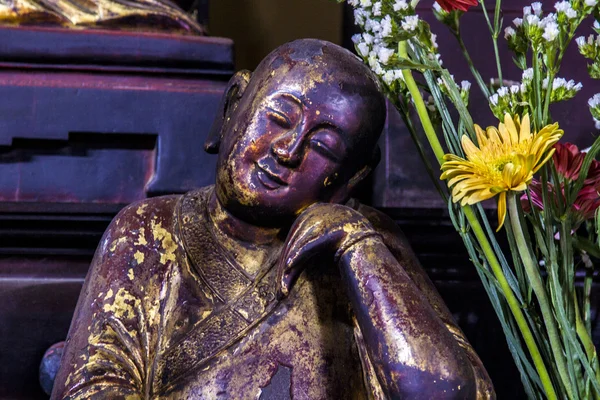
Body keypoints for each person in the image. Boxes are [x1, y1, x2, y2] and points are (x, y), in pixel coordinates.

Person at [52, 38, 494, 399]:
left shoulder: (369, 245)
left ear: (352, 176)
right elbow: (92, 386)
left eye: (323, 148)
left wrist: (359, 248)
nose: (288, 150)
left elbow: (453, 392)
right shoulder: (150, 230)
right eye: (279, 117)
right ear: (233, 106)